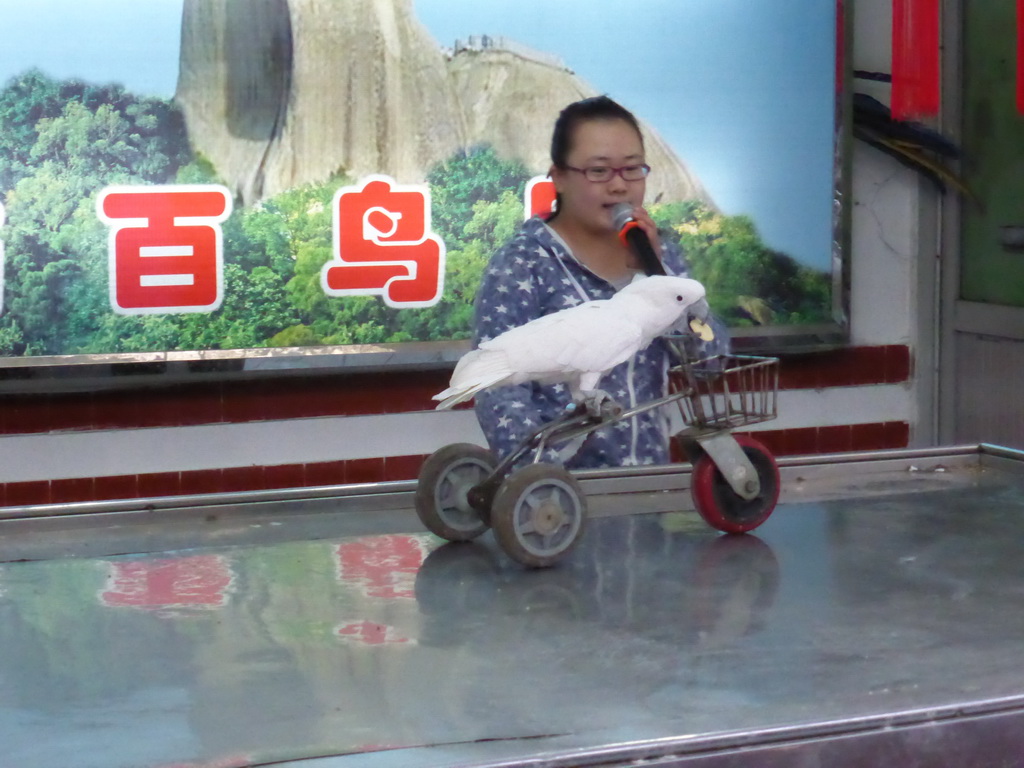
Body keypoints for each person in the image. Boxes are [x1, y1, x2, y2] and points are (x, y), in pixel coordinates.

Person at [472, 95, 727, 469]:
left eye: (632, 170)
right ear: (558, 177)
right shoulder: (523, 264)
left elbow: (711, 362)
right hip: (559, 499)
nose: (619, 186)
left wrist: (655, 274)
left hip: (649, 485)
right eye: (599, 171)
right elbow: (501, 392)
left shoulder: (662, 257)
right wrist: (537, 482)